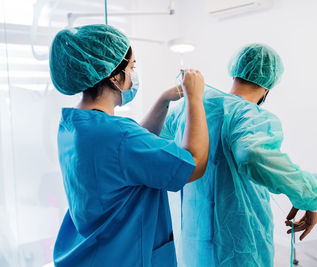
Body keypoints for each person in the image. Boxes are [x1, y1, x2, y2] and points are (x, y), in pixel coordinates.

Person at [49, 24, 209, 267]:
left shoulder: (73, 126)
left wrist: (163, 99)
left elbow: (130, 155)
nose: (134, 74)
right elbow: (194, 163)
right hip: (124, 256)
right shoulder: (118, 135)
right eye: (132, 67)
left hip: (90, 253)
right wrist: (195, 98)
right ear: (114, 76)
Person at [161, 43, 317, 266]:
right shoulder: (249, 117)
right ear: (269, 85)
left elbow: (152, 138)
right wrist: (312, 197)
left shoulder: (190, 106)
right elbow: (253, 156)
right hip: (239, 244)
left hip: (194, 239)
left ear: (235, 72)